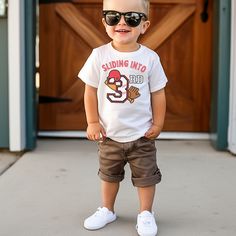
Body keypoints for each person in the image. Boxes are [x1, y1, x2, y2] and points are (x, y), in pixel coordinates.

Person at [78, 0, 167, 235]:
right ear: (104, 22)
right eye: (113, 17)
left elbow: (158, 93)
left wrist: (158, 123)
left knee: (146, 177)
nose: (122, 22)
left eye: (132, 18)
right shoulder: (99, 55)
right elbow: (90, 90)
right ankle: (107, 209)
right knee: (108, 175)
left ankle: (146, 213)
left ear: (144, 25)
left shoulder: (150, 58)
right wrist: (92, 121)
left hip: (142, 135)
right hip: (109, 134)